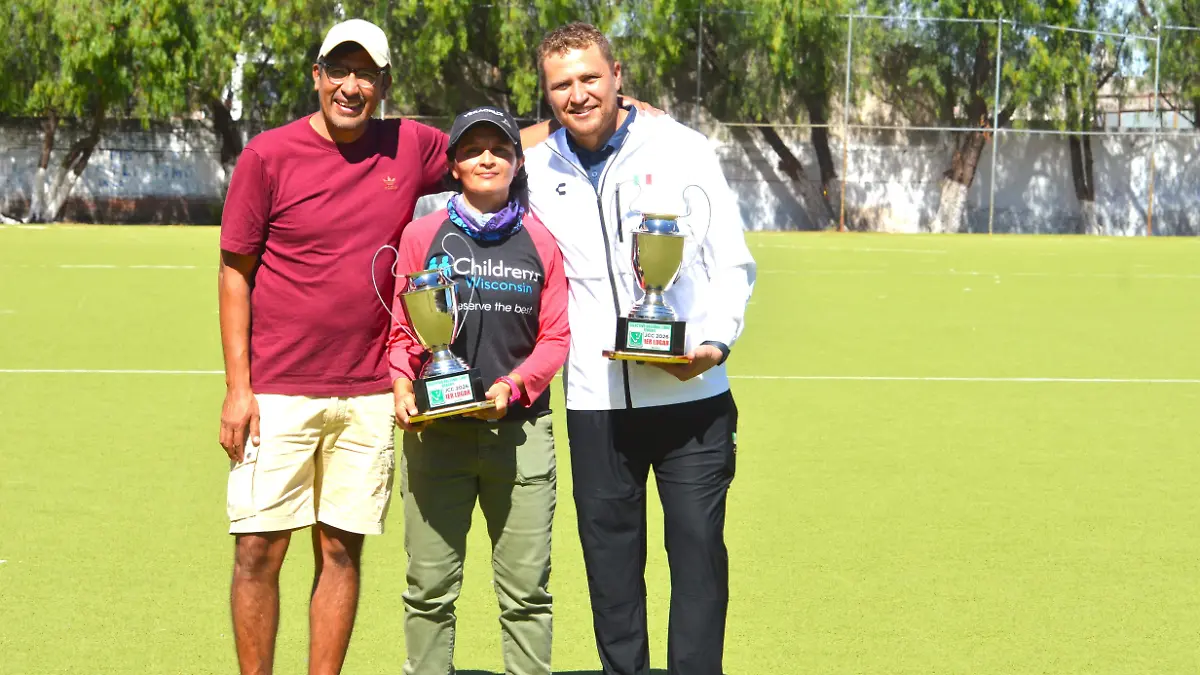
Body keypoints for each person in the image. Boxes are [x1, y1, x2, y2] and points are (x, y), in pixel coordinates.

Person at [217, 19, 558, 675]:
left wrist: (589, 119)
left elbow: (490, 149)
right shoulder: (268, 155)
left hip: (372, 391)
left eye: (364, 73)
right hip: (278, 390)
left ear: (384, 83)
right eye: (337, 71)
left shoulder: (409, 145)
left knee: (341, 550)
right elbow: (236, 270)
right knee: (258, 548)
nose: (350, 86)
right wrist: (238, 387)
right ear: (316, 76)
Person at [522, 22, 757, 675]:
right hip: (597, 406)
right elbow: (470, 167)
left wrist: (712, 344)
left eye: (589, 78)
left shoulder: (683, 147)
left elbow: (730, 259)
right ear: (547, 96)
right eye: (561, 85)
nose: (578, 94)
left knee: (699, 562)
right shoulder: (536, 169)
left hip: (693, 398)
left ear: (617, 74)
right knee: (612, 575)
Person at [386, 105, 569, 675]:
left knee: (526, 596)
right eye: (472, 149)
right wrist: (399, 383)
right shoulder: (421, 235)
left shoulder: (541, 241)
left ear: (517, 162)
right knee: (429, 591)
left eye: (499, 149)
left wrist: (516, 385)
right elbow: (402, 330)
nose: (486, 158)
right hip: (438, 437)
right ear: (455, 165)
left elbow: (556, 336)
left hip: (520, 436)